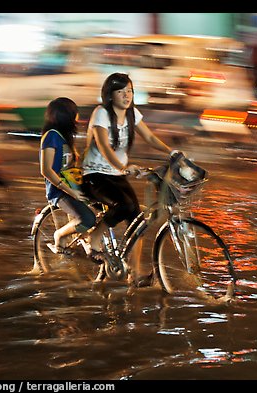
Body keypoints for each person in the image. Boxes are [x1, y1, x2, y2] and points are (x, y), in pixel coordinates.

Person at [81, 72, 174, 282]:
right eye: (121, 91)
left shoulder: (133, 114)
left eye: (130, 91)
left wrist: (172, 152)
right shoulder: (101, 113)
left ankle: (135, 272)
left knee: (137, 221)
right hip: (95, 175)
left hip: (117, 174)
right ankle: (94, 236)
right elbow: (104, 146)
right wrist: (124, 166)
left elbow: (149, 136)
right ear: (110, 95)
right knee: (123, 205)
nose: (127, 95)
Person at [39, 97, 96, 256]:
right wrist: (71, 192)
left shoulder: (65, 138)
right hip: (59, 191)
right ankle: (58, 236)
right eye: (75, 113)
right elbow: (46, 170)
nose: (77, 117)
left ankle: (90, 244)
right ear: (66, 116)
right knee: (88, 219)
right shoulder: (51, 136)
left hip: (72, 186)